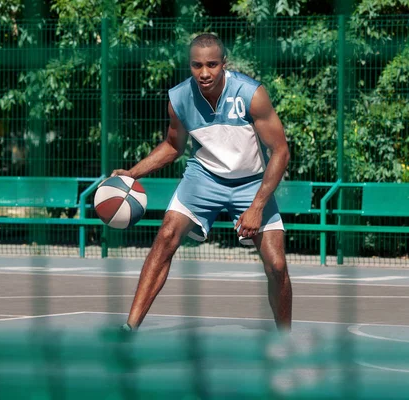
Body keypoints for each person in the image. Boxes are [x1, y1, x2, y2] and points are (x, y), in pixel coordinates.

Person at [112, 33, 292, 332]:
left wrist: (257, 205)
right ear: (190, 65)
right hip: (203, 177)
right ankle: (129, 329)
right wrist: (132, 174)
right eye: (197, 65)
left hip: (250, 183)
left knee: (276, 265)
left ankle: (284, 339)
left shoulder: (251, 93)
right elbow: (172, 146)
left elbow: (281, 151)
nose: (204, 73)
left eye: (211, 65)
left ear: (224, 63)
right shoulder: (179, 98)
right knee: (166, 237)